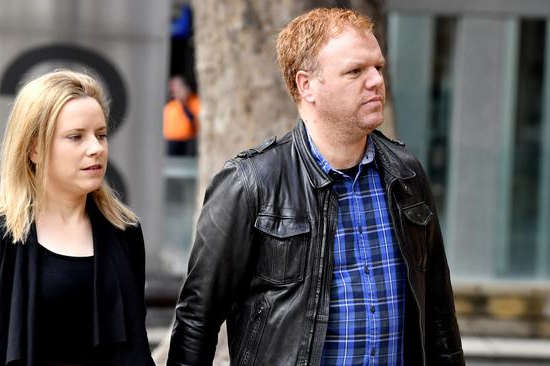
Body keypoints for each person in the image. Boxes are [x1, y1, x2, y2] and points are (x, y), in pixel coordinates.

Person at [168, 8, 464, 366]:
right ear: (306, 85)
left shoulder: (407, 175)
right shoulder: (249, 184)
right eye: (355, 71)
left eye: (378, 67)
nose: (375, 81)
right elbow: (196, 321)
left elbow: (439, 315)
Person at [0, 70, 154, 365]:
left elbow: (133, 342)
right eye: (76, 137)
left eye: (101, 134)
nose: (96, 148)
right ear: (34, 148)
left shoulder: (125, 233)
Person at [163, 75, 200, 156]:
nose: (175, 89)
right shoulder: (170, 105)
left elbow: (195, 122)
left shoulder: (195, 102)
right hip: (171, 141)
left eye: (178, 86)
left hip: (188, 141)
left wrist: (184, 103)